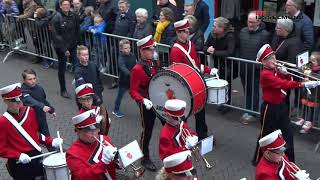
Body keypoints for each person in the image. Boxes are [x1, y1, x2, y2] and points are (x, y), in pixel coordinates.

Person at [252, 44, 320, 165]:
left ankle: (291, 163)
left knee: (288, 134)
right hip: (270, 108)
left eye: (274, 57)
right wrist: (303, 84)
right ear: (263, 62)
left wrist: (286, 72)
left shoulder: (275, 70)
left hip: (281, 106)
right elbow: (284, 84)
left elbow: (289, 80)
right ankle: (258, 160)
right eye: (270, 59)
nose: (274, 60)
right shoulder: (266, 74)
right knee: (265, 135)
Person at [0, 83, 63, 180]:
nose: (19, 103)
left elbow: (35, 134)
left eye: (20, 98)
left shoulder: (29, 111)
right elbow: (2, 149)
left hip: (36, 157)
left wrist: (51, 141)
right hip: (19, 163)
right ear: (5, 101)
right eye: (14, 100)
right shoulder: (3, 121)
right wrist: (18, 155)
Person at [170, 19, 218, 140]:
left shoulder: (190, 44)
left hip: (195, 83)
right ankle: (181, 136)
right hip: (184, 86)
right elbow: (178, 71)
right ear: (179, 33)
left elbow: (195, 64)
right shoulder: (175, 50)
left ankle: (202, 135)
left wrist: (208, 70)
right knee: (183, 113)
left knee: (200, 110)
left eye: (188, 31)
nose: (188, 33)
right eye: (185, 31)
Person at [130, 35, 165, 171]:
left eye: (153, 49)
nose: (153, 52)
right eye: (150, 50)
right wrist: (143, 100)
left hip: (159, 100)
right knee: (148, 131)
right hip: (146, 104)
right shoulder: (137, 69)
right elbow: (133, 91)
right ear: (142, 51)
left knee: (168, 126)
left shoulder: (154, 63)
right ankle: (145, 158)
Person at [66, 109, 118, 180]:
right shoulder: (72, 154)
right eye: (89, 130)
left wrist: (118, 161)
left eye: (96, 129)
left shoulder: (105, 139)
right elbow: (83, 176)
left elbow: (111, 167)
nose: (94, 133)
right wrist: (103, 162)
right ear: (78, 131)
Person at [238, 11, 270, 123]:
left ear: (259, 22)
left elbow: (266, 53)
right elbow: (239, 48)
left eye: (253, 22)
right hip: (243, 67)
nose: (250, 24)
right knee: (246, 89)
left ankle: (253, 112)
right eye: (249, 21)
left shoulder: (265, 34)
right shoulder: (242, 31)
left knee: (254, 90)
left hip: (256, 69)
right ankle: (247, 109)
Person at [204, 16, 236, 114]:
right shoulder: (212, 34)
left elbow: (230, 52)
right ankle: (219, 101)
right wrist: (207, 49)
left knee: (226, 84)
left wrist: (214, 52)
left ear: (221, 28)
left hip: (228, 65)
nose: (212, 28)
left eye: (214, 26)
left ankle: (226, 104)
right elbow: (205, 45)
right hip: (217, 63)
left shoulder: (230, 36)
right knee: (217, 81)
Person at [51, 0, 80, 98]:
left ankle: (80, 88)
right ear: (60, 6)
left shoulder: (74, 15)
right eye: (64, 5)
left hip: (73, 45)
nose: (66, 6)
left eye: (67, 4)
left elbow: (77, 30)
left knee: (77, 66)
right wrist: (64, 49)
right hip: (61, 47)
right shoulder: (56, 18)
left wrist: (79, 44)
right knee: (62, 68)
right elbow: (56, 36)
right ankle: (63, 90)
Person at [21, 69, 56, 137]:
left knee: (46, 136)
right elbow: (29, 100)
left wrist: (51, 110)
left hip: (41, 117)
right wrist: (42, 106)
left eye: (34, 78)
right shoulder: (23, 91)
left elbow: (43, 100)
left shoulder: (39, 88)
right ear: (24, 80)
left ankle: (51, 147)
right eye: (30, 79)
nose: (33, 81)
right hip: (30, 119)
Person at [295, 52, 320, 133]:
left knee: (312, 107)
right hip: (306, 91)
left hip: (315, 92)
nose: (311, 62)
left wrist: (310, 81)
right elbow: (301, 72)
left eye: (313, 61)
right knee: (305, 105)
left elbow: (317, 80)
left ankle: (310, 121)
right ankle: (303, 118)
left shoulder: (319, 70)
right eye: (310, 60)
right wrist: (301, 66)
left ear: (318, 62)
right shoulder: (308, 66)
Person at [112, 39, 136, 118]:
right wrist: (131, 74)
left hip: (132, 80)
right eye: (125, 48)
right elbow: (123, 68)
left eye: (129, 48)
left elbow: (136, 64)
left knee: (136, 94)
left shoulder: (132, 55)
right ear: (121, 49)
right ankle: (115, 110)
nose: (128, 50)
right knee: (120, 96)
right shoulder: (121, 58)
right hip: (124, 81)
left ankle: (143, 108)